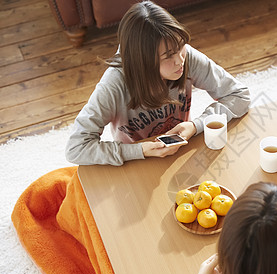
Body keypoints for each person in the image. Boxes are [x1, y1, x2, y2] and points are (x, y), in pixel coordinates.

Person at [65, 1, 250, 166]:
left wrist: (196, 126)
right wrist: (140, 151)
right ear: (143, 61)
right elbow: (76, 148)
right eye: (168, 56)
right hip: (135, 163)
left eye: (181, 47)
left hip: (181, 149)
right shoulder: (114, 85)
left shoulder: (184, 55)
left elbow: (239, 95)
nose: (180, 61)